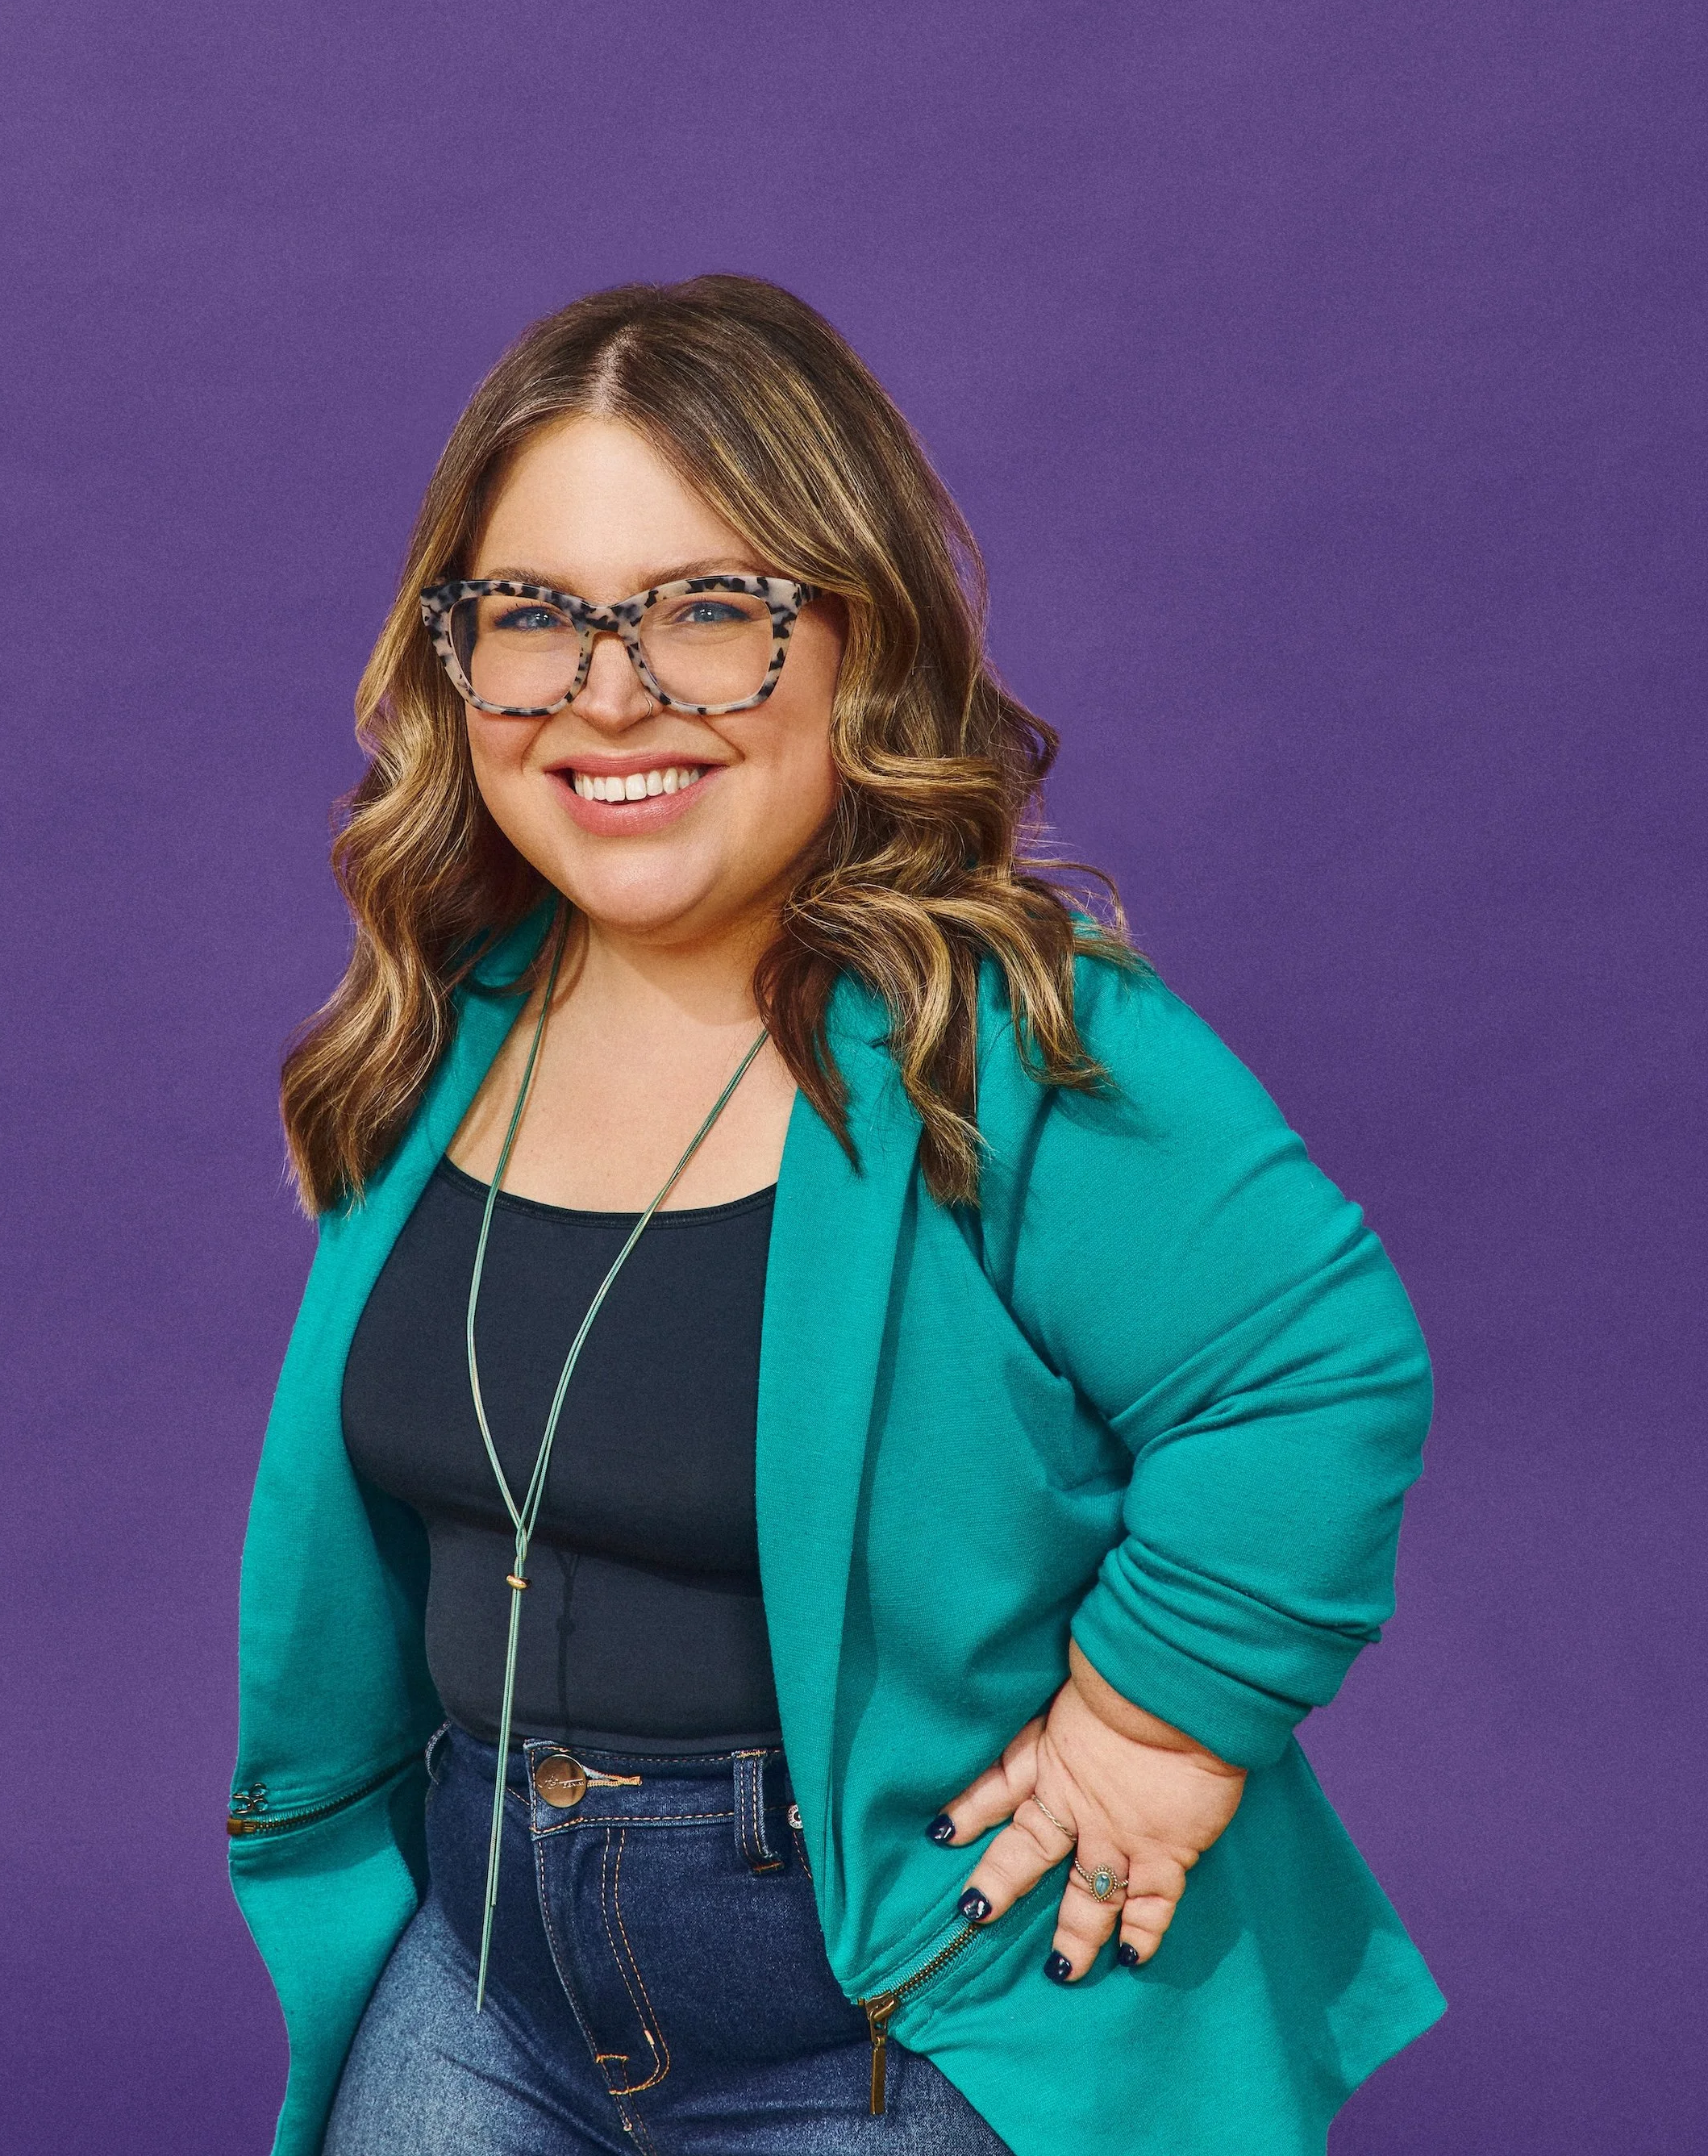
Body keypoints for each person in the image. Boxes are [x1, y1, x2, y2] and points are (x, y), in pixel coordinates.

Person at [229, 274, 1443, 2156]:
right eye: (536, 617)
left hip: (885, 2014)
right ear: (454, 657)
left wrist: (1155, 1722)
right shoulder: (437, 1024)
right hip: (486, 1984)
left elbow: (1313, 1370)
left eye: (709, 612)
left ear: (855, 640)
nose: (610, 694)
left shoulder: (1007, 1037)